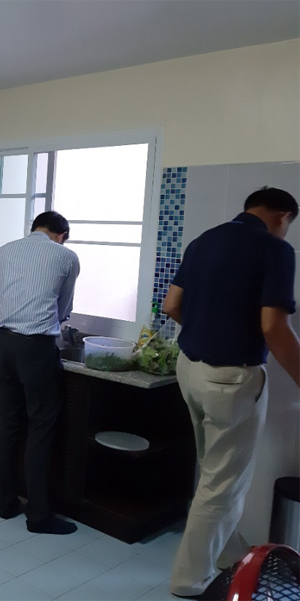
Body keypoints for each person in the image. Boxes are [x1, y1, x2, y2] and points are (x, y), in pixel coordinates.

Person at [163, 187, 299, 600]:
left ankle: (227, 553)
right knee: (222, 484)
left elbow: (171, 305)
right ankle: (191, 581)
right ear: (283, 216)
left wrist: (209, 330)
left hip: (189, 369)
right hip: (231, 380)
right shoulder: (276, 249)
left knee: (212, 472)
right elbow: (273, 326)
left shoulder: (203, 241)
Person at [0, 210, 80, 535]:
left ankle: (5, 503)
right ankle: (39, 516)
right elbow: (63, 307)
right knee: (40, 427)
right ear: (61, 235)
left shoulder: (1, 252)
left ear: (34, 228)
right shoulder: (66, 256)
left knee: (8, 423)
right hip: (37, 348)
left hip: (5, 344)